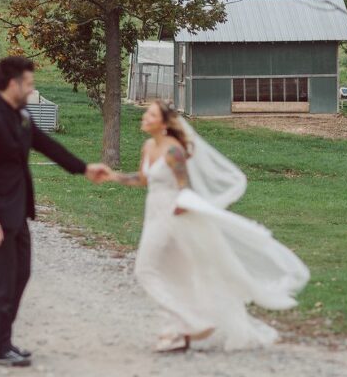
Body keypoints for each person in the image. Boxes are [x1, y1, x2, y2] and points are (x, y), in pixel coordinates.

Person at [105, 100, 309, 352]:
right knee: (174, 274)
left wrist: (181, 207)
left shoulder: (173, 152)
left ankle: (194, 322)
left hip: (173, 216)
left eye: (151, 114)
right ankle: (174, 332)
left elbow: (185, 186)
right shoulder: (149, 146)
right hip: (153, 213)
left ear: (165, 123)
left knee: (145, 270)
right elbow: (144, 179)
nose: (145, 116)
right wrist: (112, 176)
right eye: (146, 112)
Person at [0, 57, 109, 367]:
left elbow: (47, 145)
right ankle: (2, 349)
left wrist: (84, 168)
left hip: (17, 210)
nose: (32, 90)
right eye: (29, 84)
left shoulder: (22, 114)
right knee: (6, 278)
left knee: (22, 273)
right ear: (13, 84)